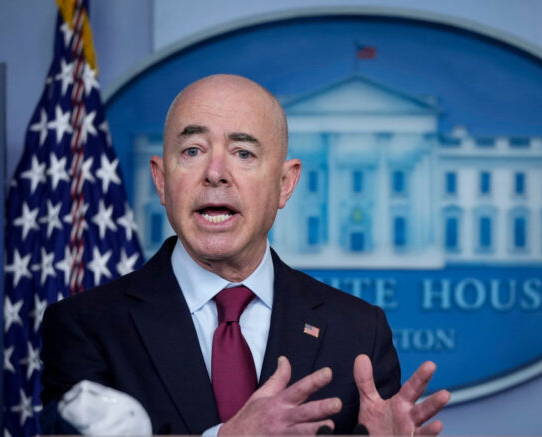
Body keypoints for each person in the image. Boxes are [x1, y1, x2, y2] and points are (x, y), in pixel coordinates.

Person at [40, 74, 450, 435]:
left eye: (243, 153)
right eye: (193, 151)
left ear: (285, 185)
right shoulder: (86, 326)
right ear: (162, 182)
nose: (215, 172)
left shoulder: (359, 330)